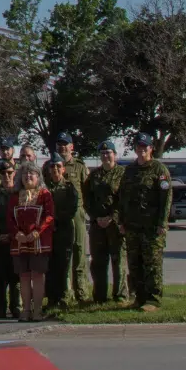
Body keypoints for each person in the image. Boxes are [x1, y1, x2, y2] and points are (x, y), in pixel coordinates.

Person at [118, 134, 171, 312]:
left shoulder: (159, 170)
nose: (141, 149)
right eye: (138, 146)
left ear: (151, 148)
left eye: (144, 146)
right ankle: (139, 298)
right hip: (132, 226)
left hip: (152, 227)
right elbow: (123, 197)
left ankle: (153, 299)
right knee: (135, 263)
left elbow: (166, 199)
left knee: (152, 264)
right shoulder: (130, 170)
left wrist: (162, 223)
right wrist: (122, 221)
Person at [44, 133, 89, 303]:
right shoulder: (48, 166)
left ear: (72, 147)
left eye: (66, 144)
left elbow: (86, 190)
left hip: (76, 213)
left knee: (78, 251)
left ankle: (82, 293)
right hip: (55, 216)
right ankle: (65, 292)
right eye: (59, 144)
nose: (62, 147)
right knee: (62, 255)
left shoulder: (79, 166)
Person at [8, 161, 54, 321]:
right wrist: (17, 234)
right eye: (25, 173)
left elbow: (49, 216)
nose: (28, 176)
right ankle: (26, 310)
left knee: (37, 275)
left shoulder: (44, 194)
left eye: (32, 173)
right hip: (20, 241)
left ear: (38, 176)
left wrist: (37, 232)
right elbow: (9, 219)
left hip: (39, 241)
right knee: (24, 276)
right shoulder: (15, 196)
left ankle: (38, 310)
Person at [84, 140, 126, 303]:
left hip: (115, 224)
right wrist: (96, 217)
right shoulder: (94, 175)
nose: (105, 156)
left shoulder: (122, 173)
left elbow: (124, 199)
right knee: (98, 261)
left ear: (115, 155)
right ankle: (100, 296)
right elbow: (87, 198)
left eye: (108, 153)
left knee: (118, 260)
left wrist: (112, 217)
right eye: (102, 154)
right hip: (97, 225)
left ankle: (120, 295)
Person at [45, 155, 78, 310]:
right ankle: (52, 299)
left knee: (64, 265)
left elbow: (72, 209)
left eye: (58, 166)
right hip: (49, 232)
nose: (56, 170)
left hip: (64, 230)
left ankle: (64, 299)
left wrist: (56, 219)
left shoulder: (69, 187)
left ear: (63, 169)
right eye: (53, 167)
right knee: (51, 266)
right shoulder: (45, 188)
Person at [0, 160, 22, 319]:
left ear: (14, 174)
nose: (6, 176)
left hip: (16, 239)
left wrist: (13, 235)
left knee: (15, 276)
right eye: (3, 173)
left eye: (9, 173)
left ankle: (17, 306)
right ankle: (0, 308)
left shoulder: (18, 193)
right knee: (0, 276)